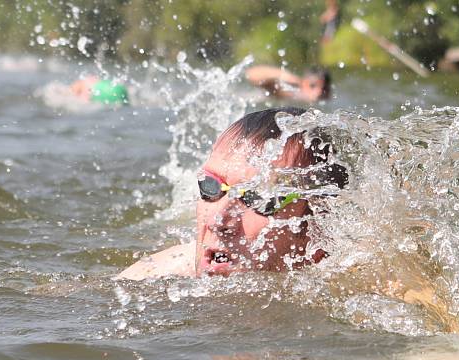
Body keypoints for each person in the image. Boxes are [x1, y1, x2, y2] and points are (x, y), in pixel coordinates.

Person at [118, 107, 347, 280]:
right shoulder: (154, 277)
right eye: (211, 187)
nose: (217, 220)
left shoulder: (356, 290)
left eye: (258, 197)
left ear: (319, 228)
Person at [244, 66, 331, 103]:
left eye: (324, 88)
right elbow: (250, 74)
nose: (319, 92)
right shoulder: (291, 94)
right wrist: (283, 75)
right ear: (303, 83)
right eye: (312, 86)